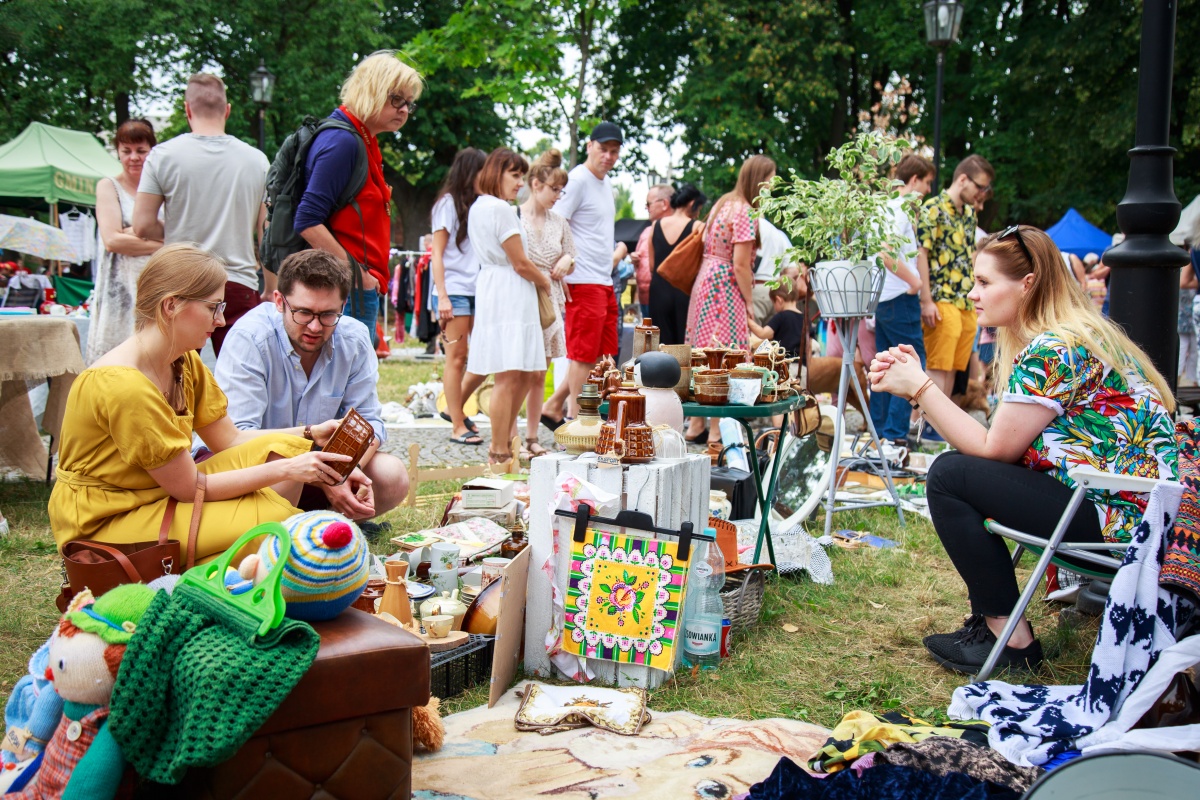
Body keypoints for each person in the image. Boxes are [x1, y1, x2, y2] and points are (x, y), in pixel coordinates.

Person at [868, 225, 1177, 675]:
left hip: (1118, 519)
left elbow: (993, 450)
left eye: (985, 282)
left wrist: (920, 387)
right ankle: (998, 625)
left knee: (949, 476)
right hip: (1131, 508)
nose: (973, 294)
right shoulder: (1076, 335)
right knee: (957, 471)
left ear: (1027, 284)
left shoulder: (1055, 349)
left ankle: (1009, 639)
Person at [49, 244, 354, 562]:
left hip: (155, 495)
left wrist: (311, 434)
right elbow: (188, 486)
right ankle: (192, 567)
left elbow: (229, 439)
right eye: (213, 308)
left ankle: (227, 561)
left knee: (287, 451)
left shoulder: (181, 361)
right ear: (170, 306)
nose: (221, 321)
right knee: (274, 521)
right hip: (107, 519)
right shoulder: (124, 385)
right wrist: (289, 469)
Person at [214, 249, 410, 523]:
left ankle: (325, 525)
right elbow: (236, 440)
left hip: (321, 467)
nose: (316, 327)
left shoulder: (353, 338)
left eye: (328, 315)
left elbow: (369, 425)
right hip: (261, 471)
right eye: (304, 313)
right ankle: (288, 529)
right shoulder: (250, 338)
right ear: (279, 301)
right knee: (286, 462)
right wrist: (325, 477)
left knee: (392, 475)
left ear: (343, 307)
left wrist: (341, 475)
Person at [132, 74, 269, 356]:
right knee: (241, 378)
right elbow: (266, 233)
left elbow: (142, 225)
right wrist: (271, 287)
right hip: (238, 281)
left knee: (174, 375)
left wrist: (174, 228)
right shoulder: (256, 160)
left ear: (187, 109)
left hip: (180, 282)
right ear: (227, 110)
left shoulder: (162, 156)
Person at [294, 50, 424, 344]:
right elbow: (307, 220)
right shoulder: (343, 141)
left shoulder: (360, 139)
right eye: (396, 99)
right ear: (372, 90)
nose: (404, 110)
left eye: (409, 103)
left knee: (350, 384)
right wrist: (357, 276)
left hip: (350, 288)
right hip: (343, 291)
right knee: (344, 385)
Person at [465, 148, 551, 464]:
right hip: (509, 292)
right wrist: (544, 282)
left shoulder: (480, 207)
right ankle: (499, 449)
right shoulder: (499, 209)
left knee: (525, 372)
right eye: (514, 175)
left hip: (497, 288)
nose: (520, 183)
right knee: (510, 374)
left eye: (521, 176)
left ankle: (503, 444)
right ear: (497, 172)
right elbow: (519, 262)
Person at [685, 155, 776, 445]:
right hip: (725, 286)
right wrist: (748, 301)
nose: (773, 185)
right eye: (771, 179)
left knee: (703, 351)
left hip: (706, 280)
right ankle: (717, 431)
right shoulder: (746, 211)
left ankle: (696, 424)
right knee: (725, 355)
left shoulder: (723, 203)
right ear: (759, 180)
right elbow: (740, 264)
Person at [542, 121, 627, 424]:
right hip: (581, 279)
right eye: (603, 149)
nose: (608, 156)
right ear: (590, 146)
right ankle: (576, 421)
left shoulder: (605, 184)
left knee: (600, 356)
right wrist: (562, 272)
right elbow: (553, 222)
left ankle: (554, 406)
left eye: (614, 151)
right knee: (582, 355)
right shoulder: (577, 180)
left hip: (603, 279)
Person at [916, 154, 994, 440]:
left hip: (964, 300)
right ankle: (927, 429)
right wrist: (926, 300)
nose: (980, 194)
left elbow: (971, 257)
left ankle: (939, 427)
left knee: (954, 368)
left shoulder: (969, 214)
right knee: (938, 366)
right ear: (963, 179)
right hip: (941, 298)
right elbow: (920, 253)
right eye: (979, 187)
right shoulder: (932, 208)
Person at [868, 153, 933, 446]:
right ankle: (893, 438)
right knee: (909, 362)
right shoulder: (899, 209)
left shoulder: (883, 208)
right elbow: (885, 251)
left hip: (884, 299)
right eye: (928, 183)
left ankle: (881, 434)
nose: (929, 190)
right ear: (914, 179)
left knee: (883, 365)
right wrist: (915, 281)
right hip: (898, 298)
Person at [87, 119, 163, 364]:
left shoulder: (162, 189)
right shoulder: (109, 186)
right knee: (116, 362)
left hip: (155, 285)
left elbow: (179, 231)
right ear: (118, 152)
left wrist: (131, 231)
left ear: (152, 151)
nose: (134, 157)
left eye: (141, 151)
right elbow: (112, 241)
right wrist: (162, 243)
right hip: (119, 289)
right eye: (126, 151)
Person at [518, 149, 576, 457]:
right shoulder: (515, 217)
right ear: (536, 184)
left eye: (560, 190)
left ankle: (531, 437)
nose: (558, 195)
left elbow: (572, 254)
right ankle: (507, 435)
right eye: (554, 189)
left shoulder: (560, 222)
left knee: (541, 371)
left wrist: (567, 260)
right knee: (519, 369)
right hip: (523, 291)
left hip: (551, 297)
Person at [429, 148, 487, 446]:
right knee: (457, 358)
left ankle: (454, 411)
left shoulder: (478, 205)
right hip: (453, 290)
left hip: (480, 289)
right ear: (470, 172)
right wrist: (442, 296)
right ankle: (456, 424)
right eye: (482, 171)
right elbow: (436, 253)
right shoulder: (448, 205)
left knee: (484, 357)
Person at [648, 183, 707, 346]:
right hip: (684, 292)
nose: (698, 213)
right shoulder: (698, 227)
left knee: (660, 344)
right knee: (683, 345)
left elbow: (652, 265)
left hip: (658, 290)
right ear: (691, 203)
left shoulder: (656, 226)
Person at [633, 183, 675, 316]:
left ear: (664, 204)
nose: (646, 207)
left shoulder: (676, 230)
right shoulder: (646, 231)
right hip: (645, 299)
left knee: (661, 336)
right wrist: (635, 260)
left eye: (648, 203)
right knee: (647, 336)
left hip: (665, 300)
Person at [748, 281, 806, 358]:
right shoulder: (804, 318)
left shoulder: (781, 316)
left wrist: (747, 319)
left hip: (784, 362)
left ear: (779, 300)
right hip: (801, 364)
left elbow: (763, 334)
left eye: (773, 303)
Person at [752, 216, 792, 325]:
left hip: (755, 289)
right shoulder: (778, 233)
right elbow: (793, 269)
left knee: (752, 338)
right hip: (775, 292)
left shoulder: (749, 225)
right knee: (771, 340)